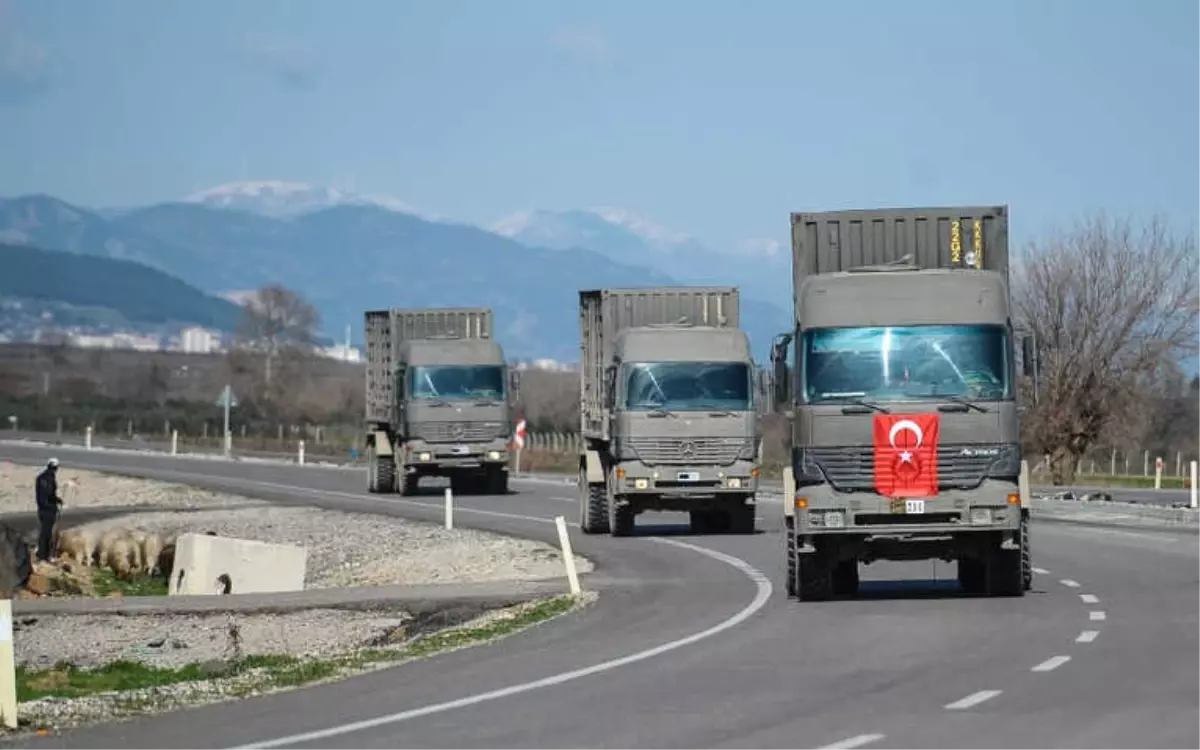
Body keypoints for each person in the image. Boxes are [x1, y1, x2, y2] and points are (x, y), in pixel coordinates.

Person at [35, 458, 63, 562]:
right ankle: (43, 555)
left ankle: (42, 553)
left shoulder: (40, 477)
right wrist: (57, 500)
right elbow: (50, 494)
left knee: (43, 531)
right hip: (49, 509)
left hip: (41, 508)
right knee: (47, 533)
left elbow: (41, 494)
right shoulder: (50, 479)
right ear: (56, 468)